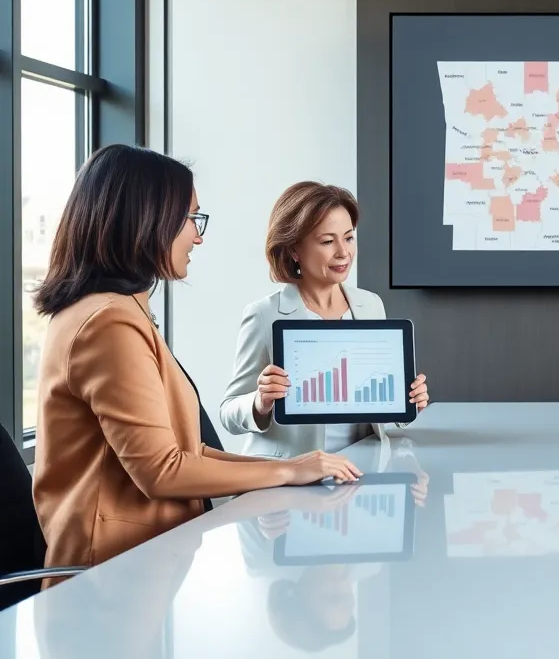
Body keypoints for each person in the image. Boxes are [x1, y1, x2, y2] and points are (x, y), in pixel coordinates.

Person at [31, 145, 362, 571]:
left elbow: (189, 451)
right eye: (191, 219)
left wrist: (294, 467)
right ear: (147, 220)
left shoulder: (115, 310)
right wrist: (286, 472)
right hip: (113, 577)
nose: (198, 236)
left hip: (144, 561)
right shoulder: (107, 323)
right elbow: (162, 471)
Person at [220, 182, 430, 457]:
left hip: (361, 469)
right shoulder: (264, 314)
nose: (343, 252)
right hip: (292, 475)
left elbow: (378, 406)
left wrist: (409, 400)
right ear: (294, 248)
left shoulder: (370, 305)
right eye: (328, 241)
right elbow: (228, 412)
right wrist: (260, 402)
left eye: (349, 237)